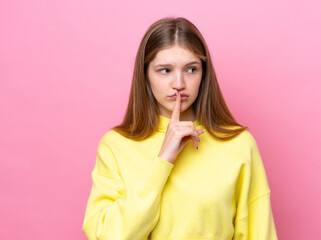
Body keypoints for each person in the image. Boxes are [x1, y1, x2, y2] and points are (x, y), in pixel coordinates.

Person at [82, 17, 278, 240]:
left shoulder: (239, 143)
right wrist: (163, 161)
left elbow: (260, 233)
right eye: (165, 70)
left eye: (191, 69)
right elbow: (107, 236)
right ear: (145, 75)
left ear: (204, 74)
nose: (179, 83)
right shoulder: (116, 145)